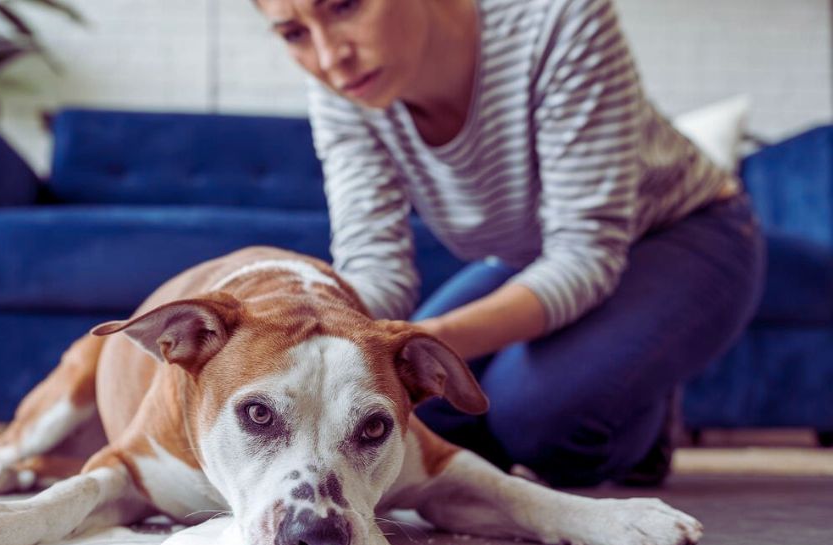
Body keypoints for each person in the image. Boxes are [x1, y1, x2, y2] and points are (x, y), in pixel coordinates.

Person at [253, 0, 764, 487]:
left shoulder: (560, 20)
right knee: (425, 420)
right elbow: (375, 265)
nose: (329, 57)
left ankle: (642, 415)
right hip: (534, 258)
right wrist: (301, 334)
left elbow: (584, 255)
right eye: (294, 33)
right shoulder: (343, 89)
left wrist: (419, 345)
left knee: (536, 422)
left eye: (345, 6)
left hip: (690, 234)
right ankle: (607, 356)